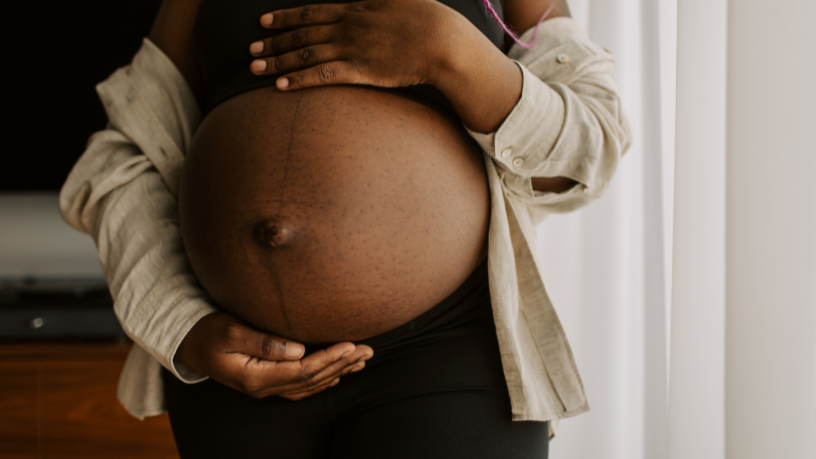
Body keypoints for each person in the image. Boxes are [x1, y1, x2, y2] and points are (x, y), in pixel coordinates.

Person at [60, 0, 630, 456]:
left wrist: (450, 53)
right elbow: (122, 153)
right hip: (236, 371)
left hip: (446, 354)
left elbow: (589, 147)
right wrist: (180, 325)